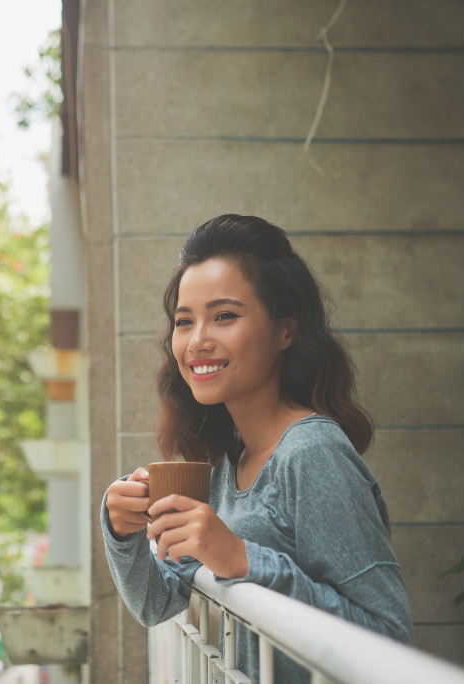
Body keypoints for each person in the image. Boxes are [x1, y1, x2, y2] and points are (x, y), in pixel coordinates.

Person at [101, 214, 414, 684]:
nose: (198, 340)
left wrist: (244, 559)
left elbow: (388, 640)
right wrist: (120, 531)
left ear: (286, 330)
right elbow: (157, 602)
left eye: (224, 315)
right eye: (184, 321)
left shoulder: (312, 452)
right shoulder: (231, 460)